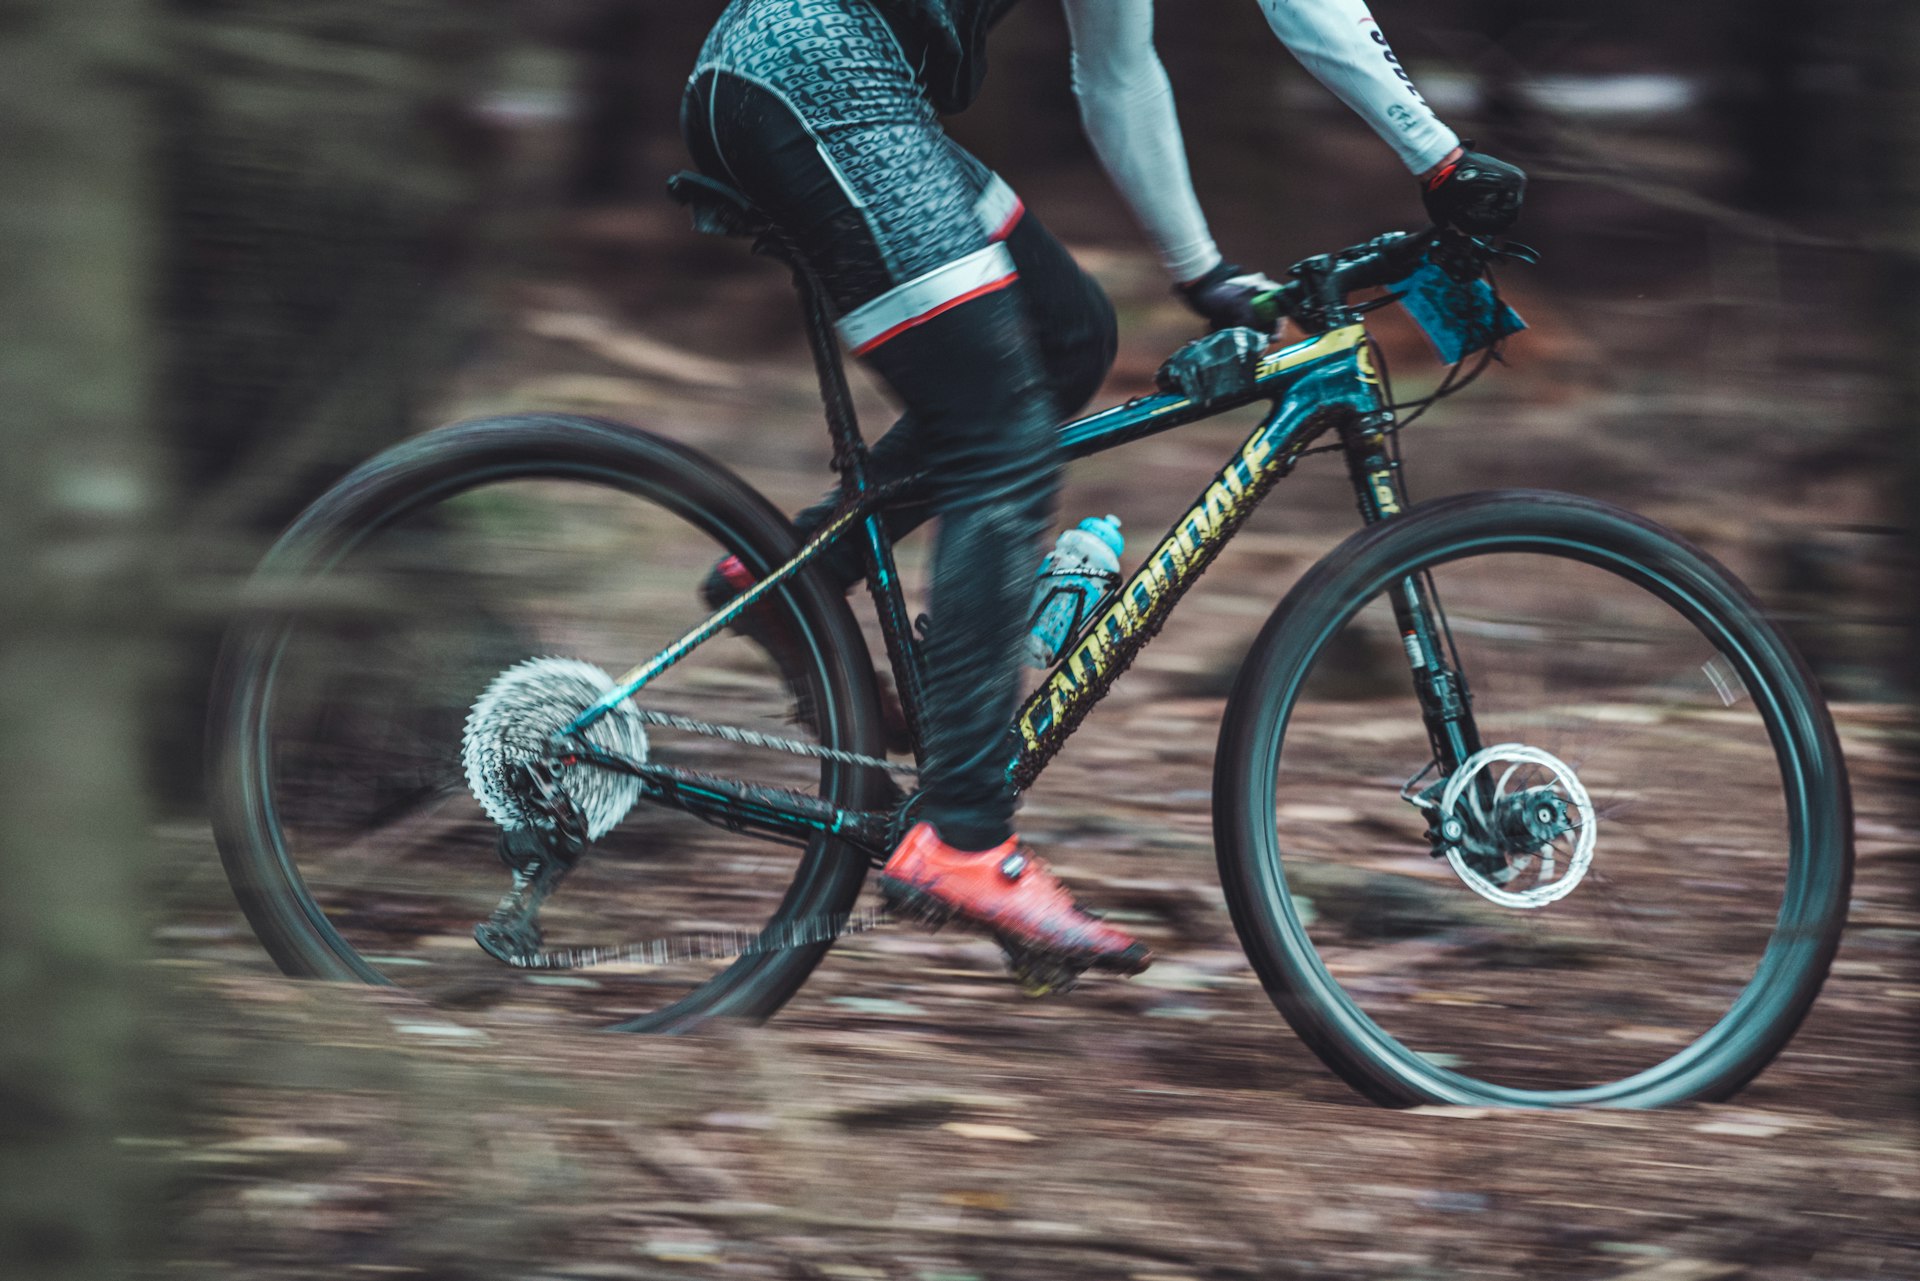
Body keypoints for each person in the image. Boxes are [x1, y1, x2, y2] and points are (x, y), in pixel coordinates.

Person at [682, 0, 1525, 986]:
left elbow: (1119, 72)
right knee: (1000, 432)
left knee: (1069, 335)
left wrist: (1204, 273)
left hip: (819, 83)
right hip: (821, 81)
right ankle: (962, 835)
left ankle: (798, 576)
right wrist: (1439, 158)